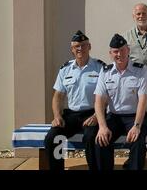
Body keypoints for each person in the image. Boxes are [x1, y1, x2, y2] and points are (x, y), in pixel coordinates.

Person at [44, 30, 103, 170]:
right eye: (76, 46)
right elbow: (58, 96)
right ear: (72, 49)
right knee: (53, 137)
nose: (80, 49)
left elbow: (106, 96)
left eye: (83, 45)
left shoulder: (99, 67)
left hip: (92, 114)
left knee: (90, 138)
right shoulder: (65, 69)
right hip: (71, 114)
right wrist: (57, 116)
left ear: (89, 46)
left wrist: (96, 115)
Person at [94, 34, 147, 170]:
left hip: (135, 116)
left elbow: (143, 100)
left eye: (122, 50)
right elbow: (99, 101)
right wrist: (102, 126)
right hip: (114, 116)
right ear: (110, 53)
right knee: (101, 140)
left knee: (138, 141)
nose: (119, 54)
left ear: (128, 50)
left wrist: (137, 125)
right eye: (115, 51)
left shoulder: (140, 70)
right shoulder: (105, 71)